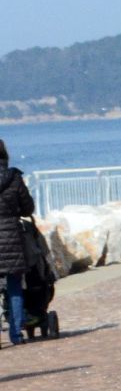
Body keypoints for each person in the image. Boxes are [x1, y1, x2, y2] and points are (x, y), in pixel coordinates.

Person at [0, 141, 36, 346]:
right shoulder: (14, 177)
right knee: (14, 286)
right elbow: (27, 208)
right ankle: (16, 334)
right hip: (11, 238)